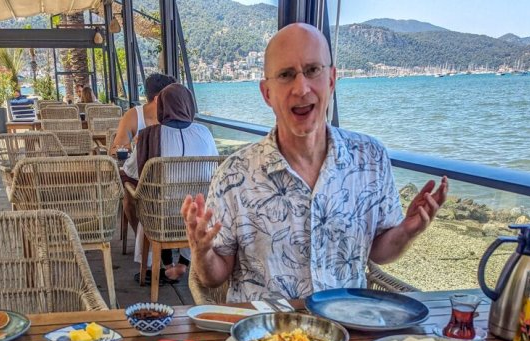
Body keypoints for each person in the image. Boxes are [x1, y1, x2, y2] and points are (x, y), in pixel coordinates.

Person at [181, 23, 449, 301]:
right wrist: (201, 253)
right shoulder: (234, 175)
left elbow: (378, 252)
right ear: (267, 93)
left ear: (331, 79)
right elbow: (214, 276)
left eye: (312, 70)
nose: (301, 87)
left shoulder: (371, 159)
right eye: (286, 75)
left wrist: (407, 230)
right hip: (264, 337)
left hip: (346, 329)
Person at [122, 83, 219, 282]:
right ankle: (184, 262)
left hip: (159, 217)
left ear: (162, 107)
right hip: (195, 214)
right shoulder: (205, 133)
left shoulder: (150, 135)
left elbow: (131, 171)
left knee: (140, 193)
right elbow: (214, 169)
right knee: (189, 197)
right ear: (189, 105)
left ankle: (158, 266)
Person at [111, 73, 177, 237]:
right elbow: (116, 149)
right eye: (172, 96)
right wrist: (136, 144)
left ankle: (170, 237)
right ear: (158, 99)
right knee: (129, 199)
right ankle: (146, 239)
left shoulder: (176, 116)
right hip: (140, 174)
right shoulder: (134, 115)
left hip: (171, 175)